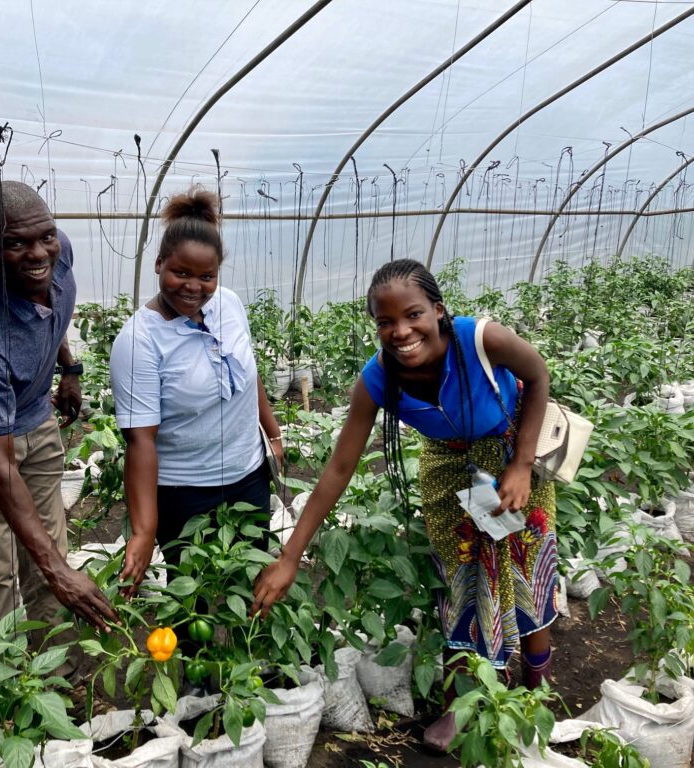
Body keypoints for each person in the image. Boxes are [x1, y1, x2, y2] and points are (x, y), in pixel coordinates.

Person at [251, 258, 558, 752]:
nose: (400, 331)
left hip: (509, 459)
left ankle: (535, 685)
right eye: (385, 322)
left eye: (412, 315)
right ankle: (466, 703)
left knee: (526, 575)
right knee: (458, 587)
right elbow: (336, 470)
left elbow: (539, 376)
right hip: (450, 474)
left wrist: (521, 464)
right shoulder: (377, 379)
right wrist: (290, 557)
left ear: (437, 310)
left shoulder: (481, 339)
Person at [0, 180, 115, 653]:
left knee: (51, 546)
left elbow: (50, 310)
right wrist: (58, 573)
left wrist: (68, 366)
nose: (38, 254)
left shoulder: (56, 251)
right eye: (15, 243)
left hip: (35, 416)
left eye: (45, 236)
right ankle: (9, 690)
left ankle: (55, 668)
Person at [110, 188, 283, 591]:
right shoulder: (139, 342)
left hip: (248, 475)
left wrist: (272, 435)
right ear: (158, 265)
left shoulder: (230, 304)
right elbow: (140, 441)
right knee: (192, 599)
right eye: (181, 273)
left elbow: (247, 374)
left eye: (206, 276)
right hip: (185, 492)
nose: (194, 286)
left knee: (252, 582)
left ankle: (250, 650)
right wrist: (143, 530)